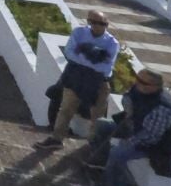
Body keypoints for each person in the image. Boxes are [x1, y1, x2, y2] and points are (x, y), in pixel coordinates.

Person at [83, 67, 171, 186]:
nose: (138, 83)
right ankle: (100, 162)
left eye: (143, 82)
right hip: (135, 127)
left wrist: (130, 141)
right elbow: (128, 96)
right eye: (138, 79)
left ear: (155, 86)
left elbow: (151, 135)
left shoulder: (162, 108)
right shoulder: (140, 88)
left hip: (153, 144)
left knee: (118, 153)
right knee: (102, 125)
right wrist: (128, 107)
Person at [38, 11, 120, 147]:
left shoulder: (112, 42)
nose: (97, 26)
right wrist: (93, 58)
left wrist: (82, 55)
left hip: (98, 81)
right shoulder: (79, 33)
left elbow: (106, 67)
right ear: (89, 22)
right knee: (66, 109)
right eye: (93, 22)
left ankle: (93, 144)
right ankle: (56, 139)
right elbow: (70, 53)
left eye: (102, 23)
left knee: (97, 115)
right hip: (76, 76)